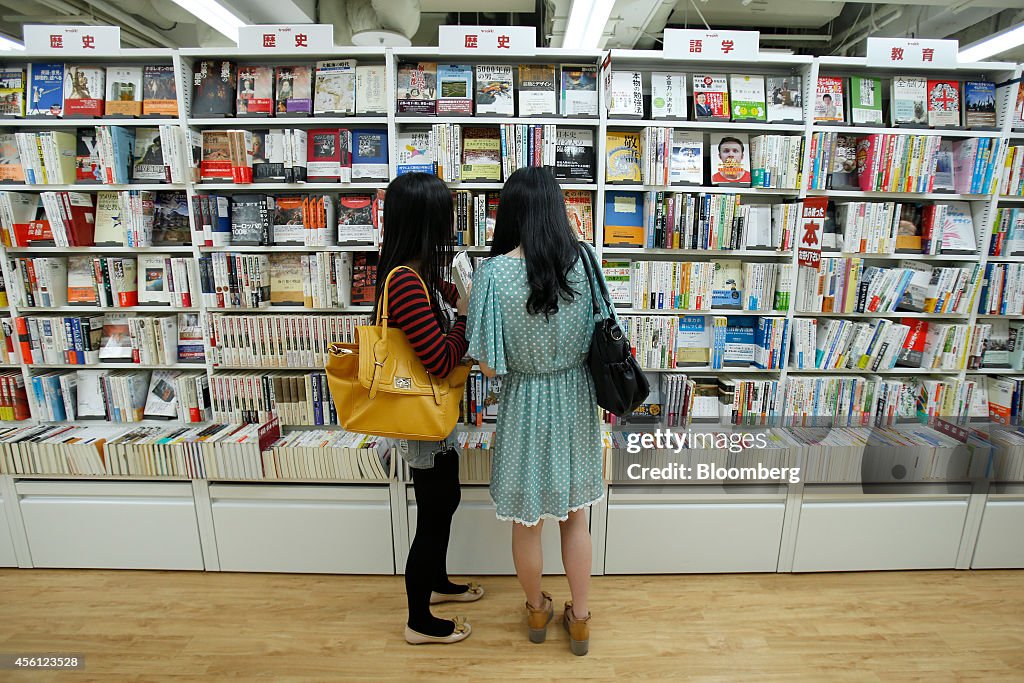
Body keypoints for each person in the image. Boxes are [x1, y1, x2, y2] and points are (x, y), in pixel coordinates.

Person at [466, 167, 605, 656]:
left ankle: (536, 611)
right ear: (556, 208)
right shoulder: (585, 260)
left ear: (510, 212)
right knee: (576, 519)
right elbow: (602, 332)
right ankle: (582, 619)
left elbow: (485, 361)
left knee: (527, 523)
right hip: (574, 399)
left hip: (524, 401)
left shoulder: (492, 274)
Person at [374, 173, 483, 646]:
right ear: (425, 220)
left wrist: (459, 296)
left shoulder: (417, 274)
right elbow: (439, 359)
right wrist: (462, 318)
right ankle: (418, 621)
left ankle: (437, 584)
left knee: (447, 500)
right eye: (444, 215)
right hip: (421, 421)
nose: (451, 225)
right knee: (433, 514)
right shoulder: (404, 283)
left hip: (436, 419)